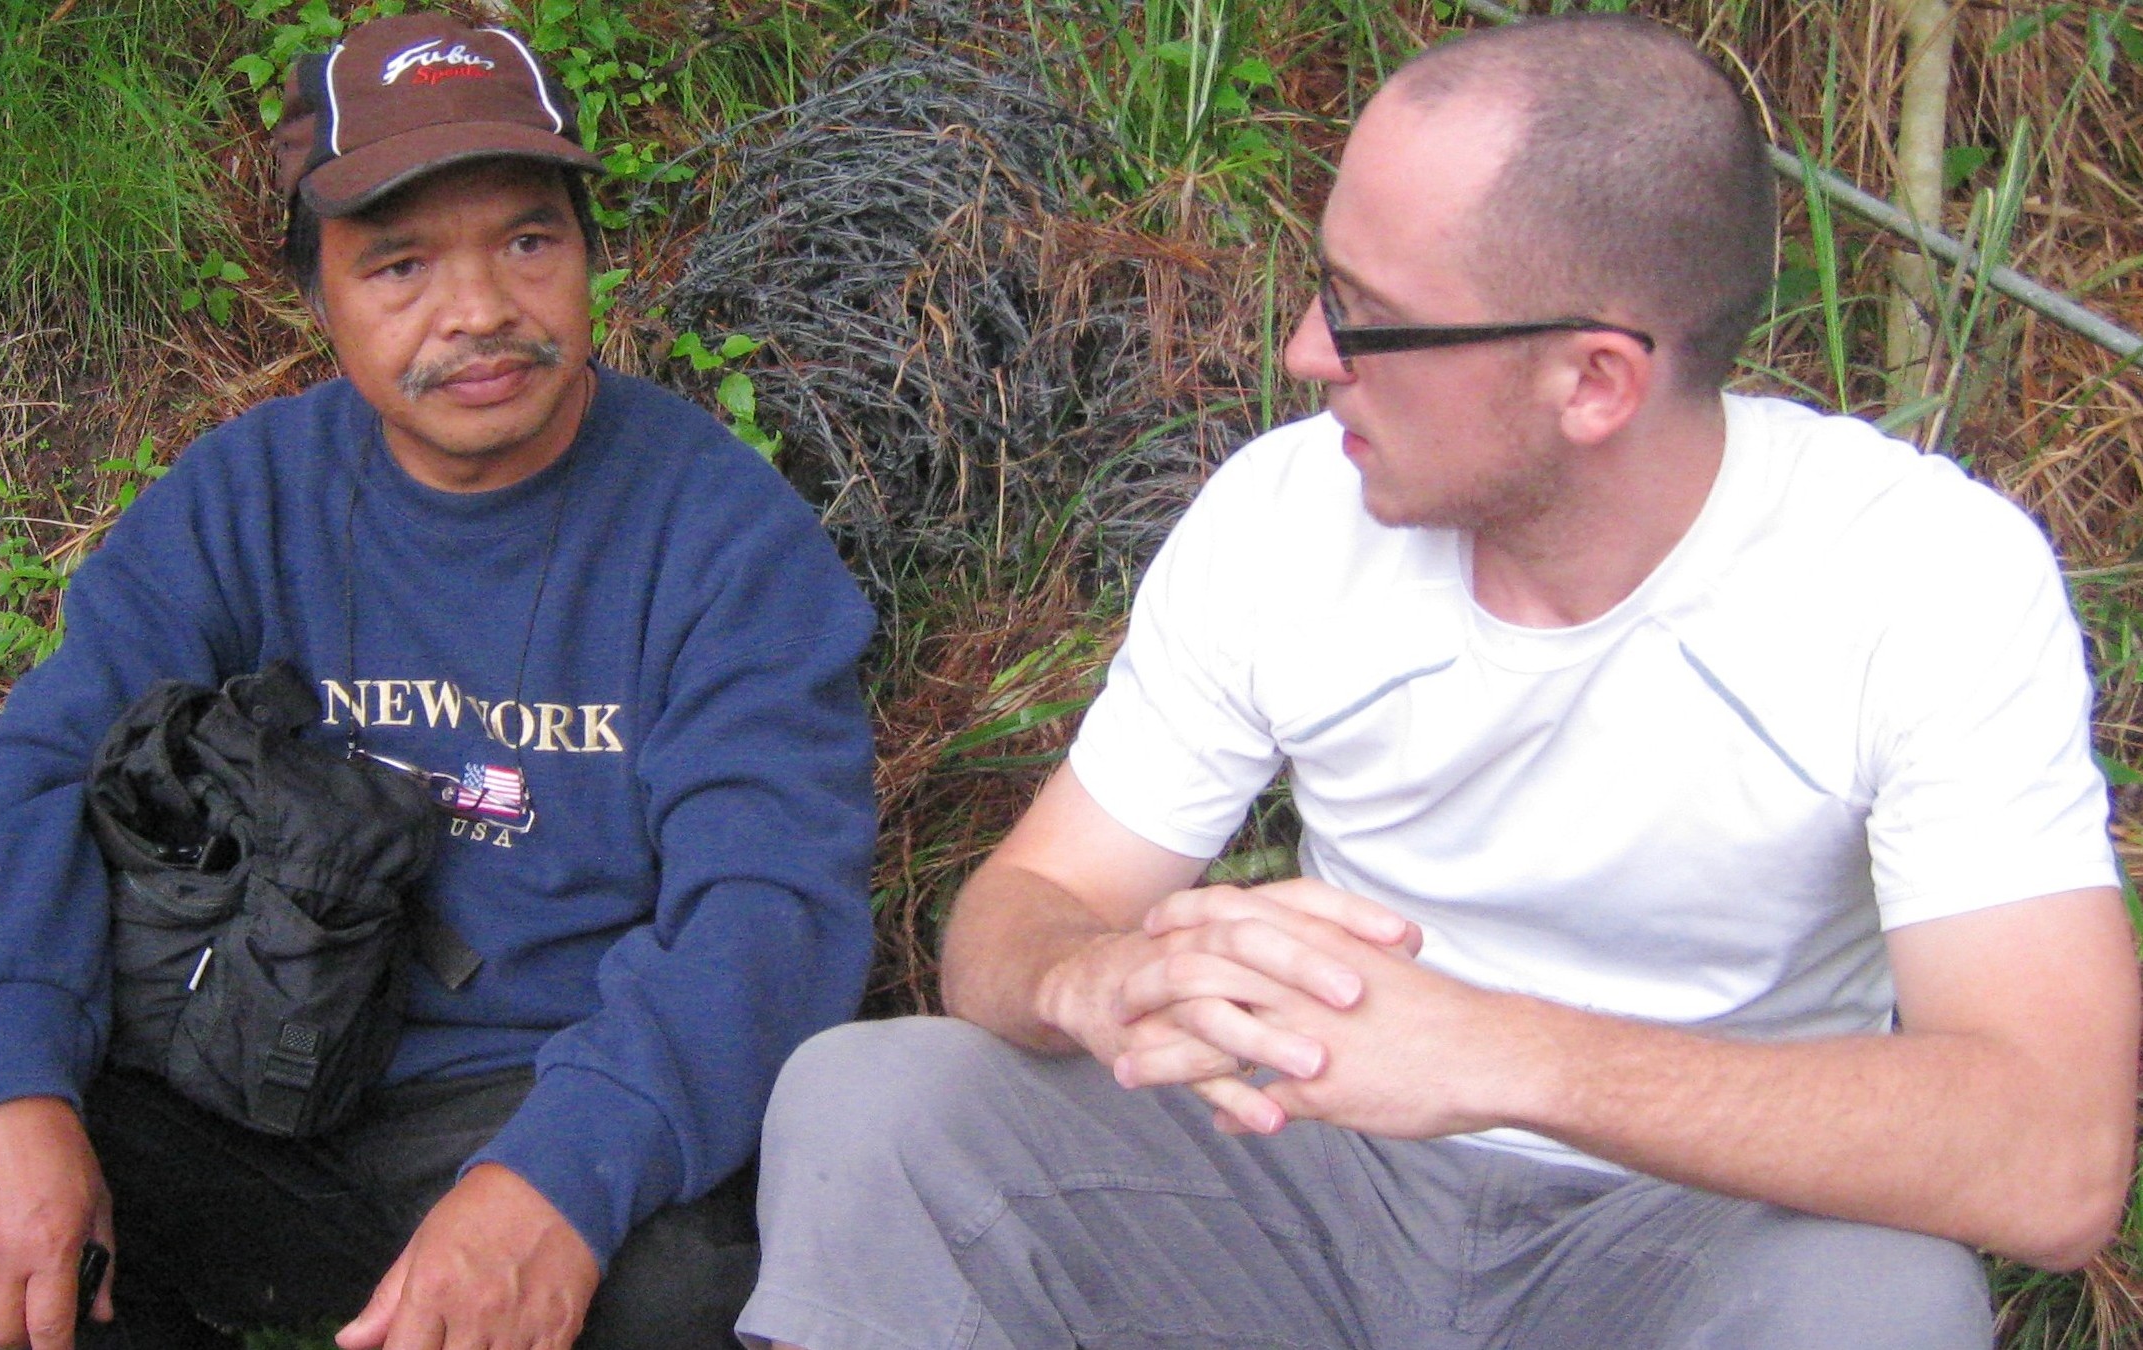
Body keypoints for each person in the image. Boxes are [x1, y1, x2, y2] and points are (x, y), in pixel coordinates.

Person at [737, 14, 2139, 1350]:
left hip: (1698, 1229)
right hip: (1304, 1182)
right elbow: (1018, 911)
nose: (1303, 355)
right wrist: (1089, 976)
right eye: (1322, 283)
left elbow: (2052, 1151)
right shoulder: (1284, 517)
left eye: (1368, 316)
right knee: (878, 1105)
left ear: (1593, 381)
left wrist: (1502, 1057)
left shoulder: (1917, 575)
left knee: (1883, 1299)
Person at [0, 11, 876, 1350]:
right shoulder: (245, 497)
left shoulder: (720, 538)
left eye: (528, 241)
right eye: (403, 263)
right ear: (319, 298)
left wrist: (559, 1176)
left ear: (592, 255)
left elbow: (767, 906)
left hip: (537, 1096)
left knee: (689, 1293)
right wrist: (3, 1081)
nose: (478, 310)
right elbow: (42, 770)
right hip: (236, 1087)